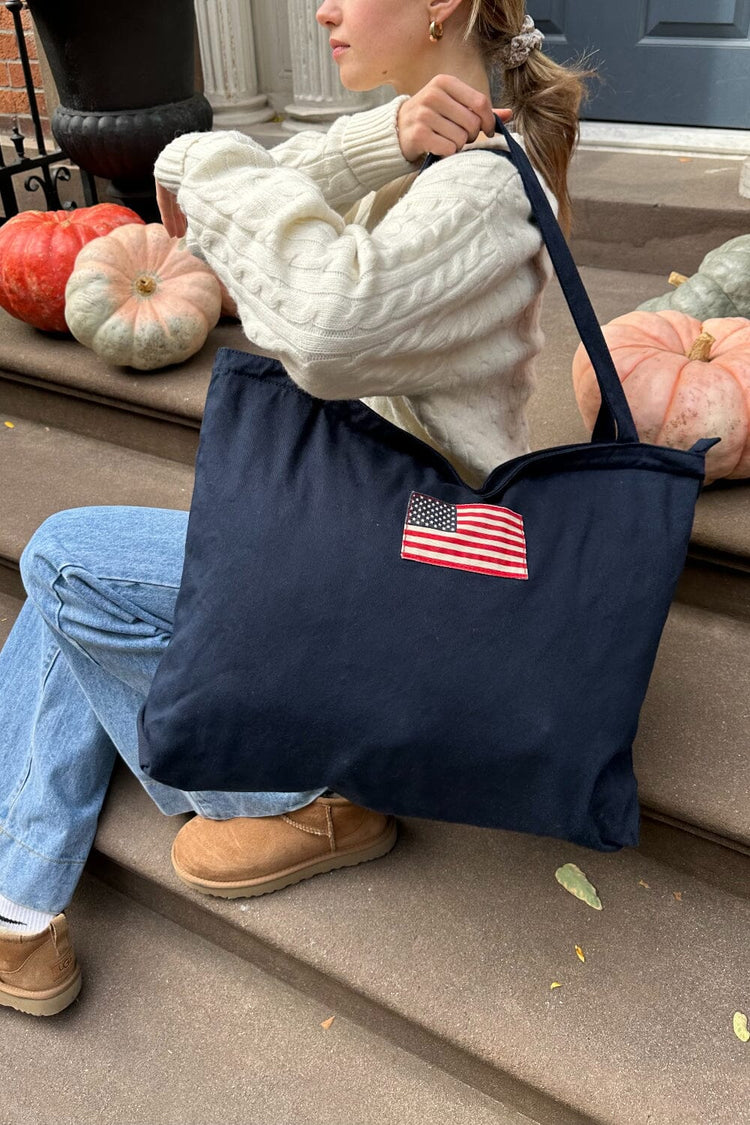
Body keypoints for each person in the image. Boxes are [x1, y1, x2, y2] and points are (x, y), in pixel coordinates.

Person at [0, 0, 594, 1016]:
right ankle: (17, 910)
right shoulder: (426, 166)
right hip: (366, 525)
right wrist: (375, 139)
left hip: (421, 565)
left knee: (62, 557)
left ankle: (292, 801)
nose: (322, 7)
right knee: (76, 582)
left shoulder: (485, 191)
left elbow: (324, 320)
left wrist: (205, 164)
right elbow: (212, 234)